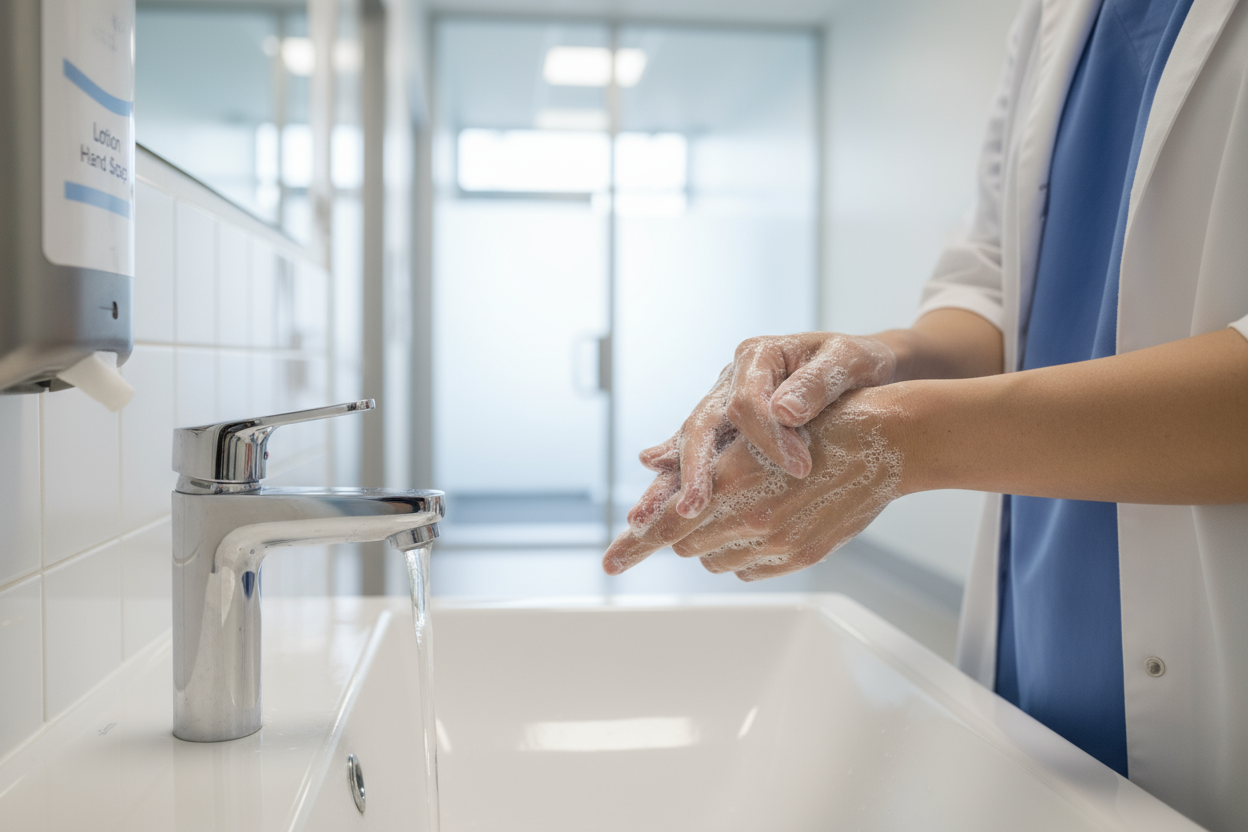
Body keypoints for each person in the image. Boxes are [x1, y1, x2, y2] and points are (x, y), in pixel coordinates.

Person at [601, 0, 1248, 828]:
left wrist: (908, 436)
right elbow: (992, 286)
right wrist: (873, 365)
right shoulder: (1055, 16)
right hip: (1036, 646)